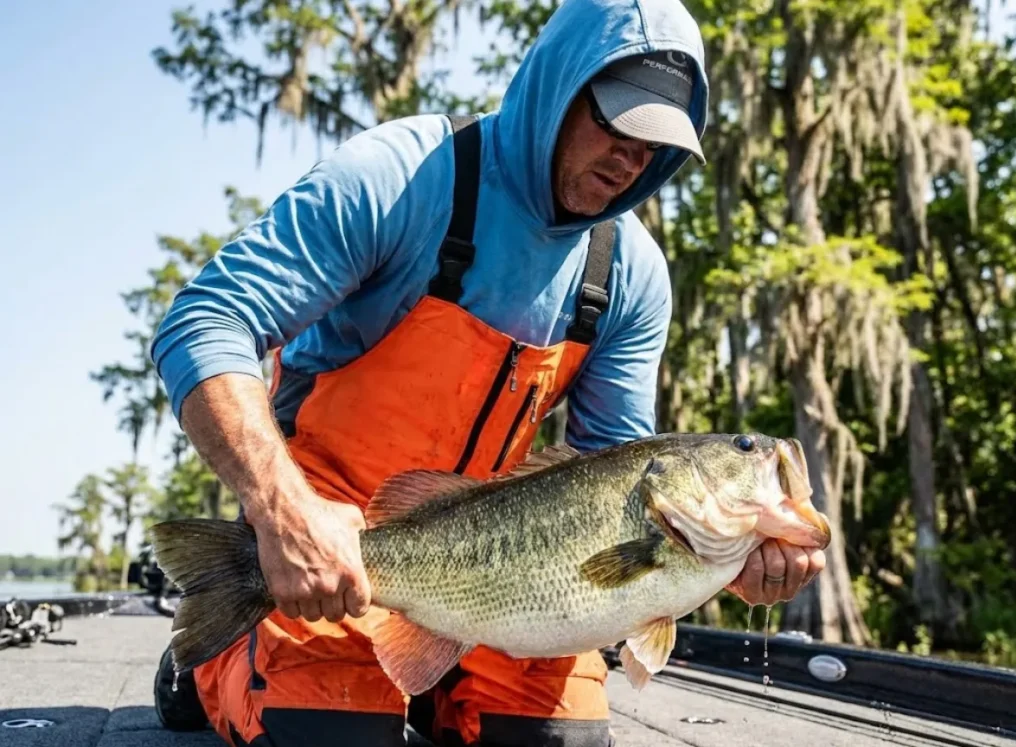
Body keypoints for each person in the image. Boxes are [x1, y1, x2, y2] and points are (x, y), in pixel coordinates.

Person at [149, 0, 826, 743]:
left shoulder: (631, 275)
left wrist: (723, 564)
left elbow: (610, 475)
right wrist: (284, 513)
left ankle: (434, 684)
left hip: (516, 565)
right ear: (555, 86)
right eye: (616, 122)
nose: (632, 157)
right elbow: (203, 320)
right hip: (329, 538)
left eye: (656, 144)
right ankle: (213, 650)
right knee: (326, 731)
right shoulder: (400, 177)